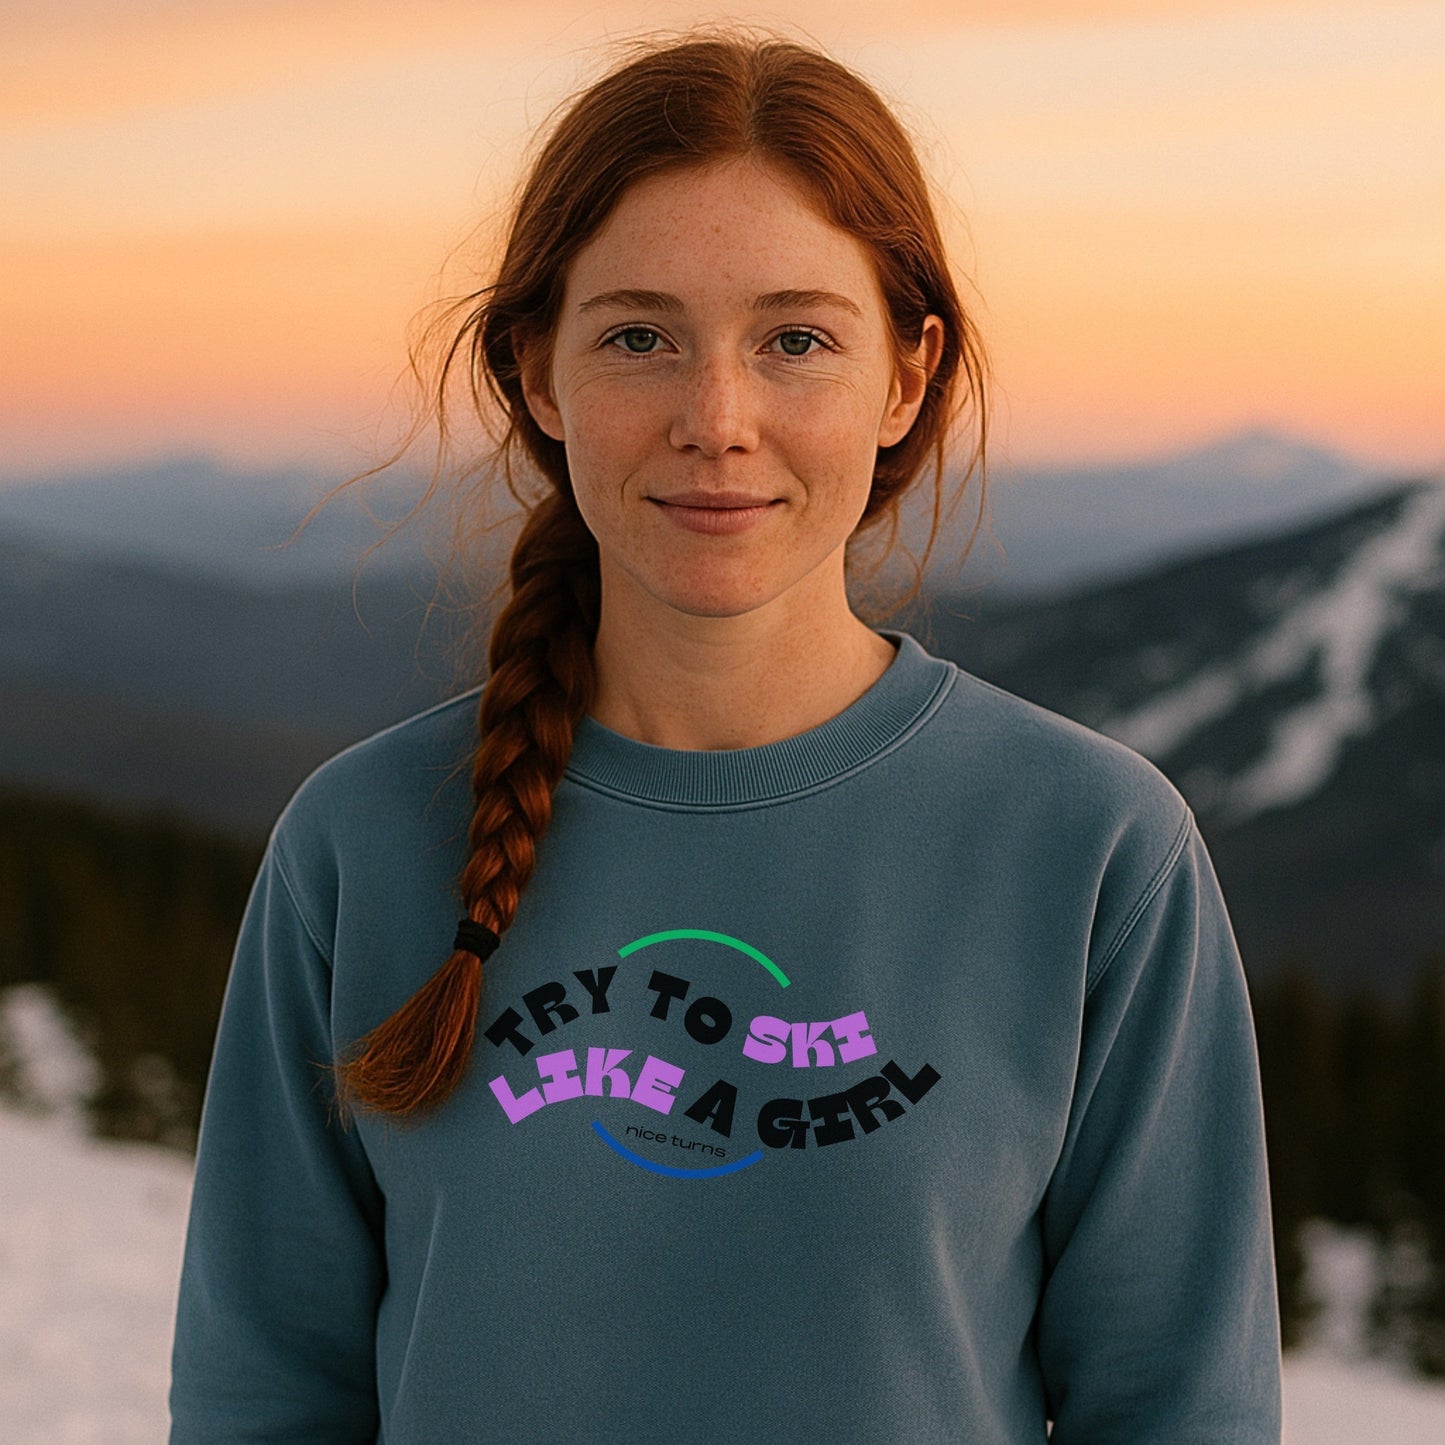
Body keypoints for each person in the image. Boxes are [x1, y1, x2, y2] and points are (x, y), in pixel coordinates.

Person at [168, 25, 1282, 1444]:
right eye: (639, 335)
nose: (716, 418)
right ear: (537, 370)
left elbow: (1176, 1407)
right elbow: (261, 1394)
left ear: (903, 375)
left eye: (795, 340)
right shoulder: (364, 839)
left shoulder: (1091, 848)